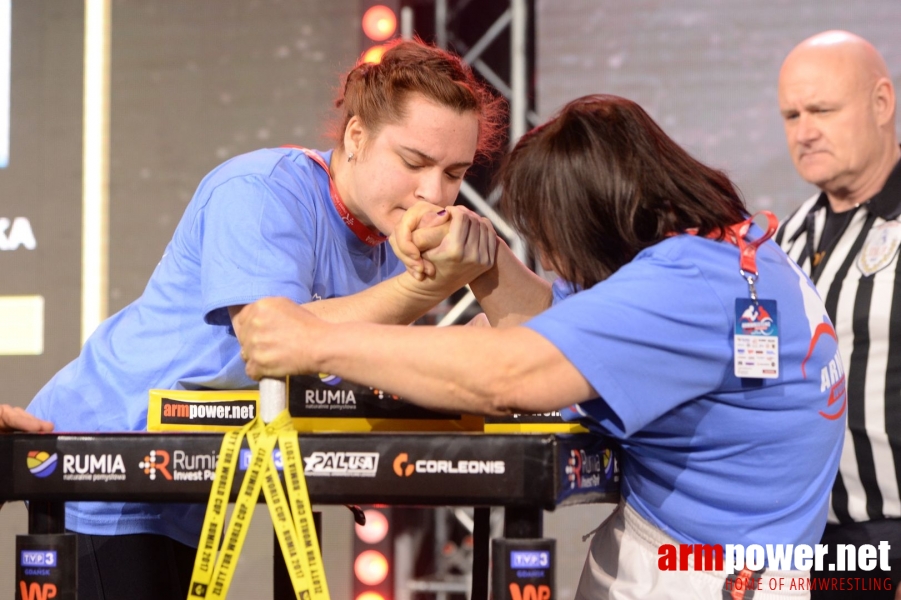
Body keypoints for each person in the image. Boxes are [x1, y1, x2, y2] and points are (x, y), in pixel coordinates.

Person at [237, 94, 846, 599]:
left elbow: (509, 375)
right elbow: (571, 323)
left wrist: (318, 342)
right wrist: (483, 260)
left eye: (546, 236)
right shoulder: (734, 255)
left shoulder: (683, 288)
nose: (550, 259)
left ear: (591, 216)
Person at [26, 38, 504, 600]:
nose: (434, 191)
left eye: (455, 172)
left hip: (184, 485)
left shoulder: (384, 238)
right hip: (106, 457)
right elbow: (274, 338)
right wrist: (430, 286)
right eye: (415, 163)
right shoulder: (261, 190)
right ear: (356, 137)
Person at [775, 30, 901, 598]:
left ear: (882, 103)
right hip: (808, 547)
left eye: (822, 110)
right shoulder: (786, 238)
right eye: (792, 114)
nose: (804, 132)